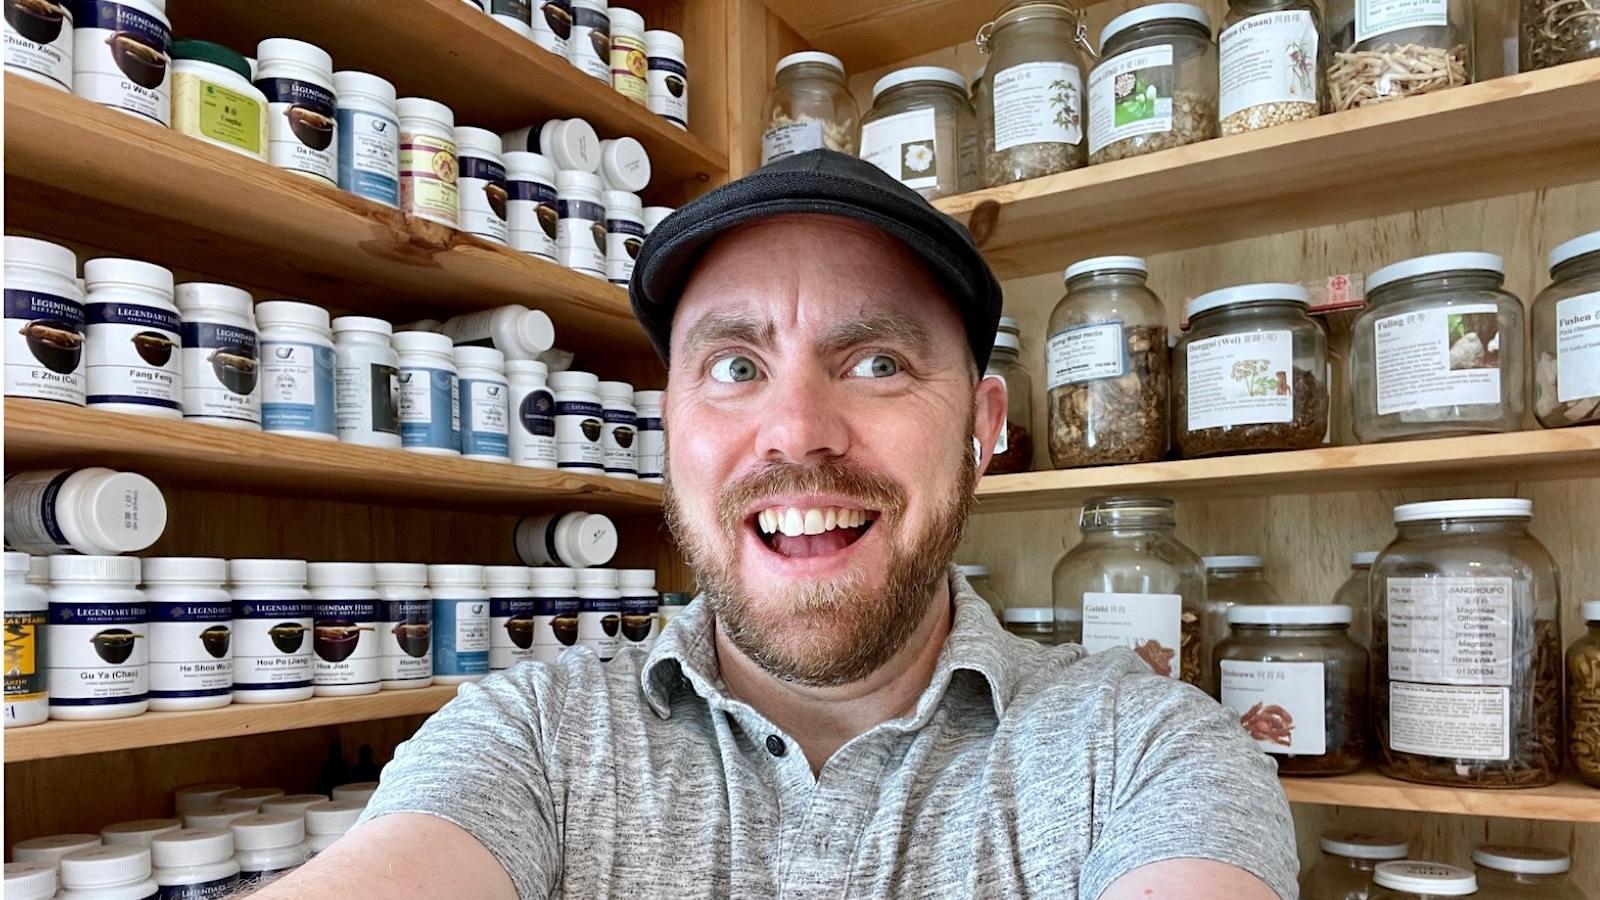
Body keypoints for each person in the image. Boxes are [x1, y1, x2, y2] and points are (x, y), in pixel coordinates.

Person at [252, 151, 1298, 899]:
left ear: (981, 429)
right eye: (736, 368)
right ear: (672, 428)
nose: (796, 432)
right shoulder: (531, 739)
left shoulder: (1146, 751)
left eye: (877, 363)